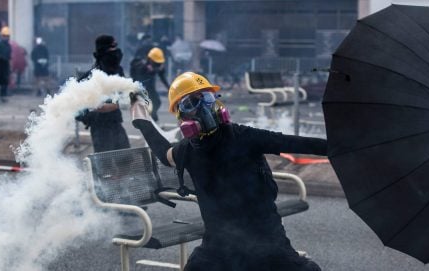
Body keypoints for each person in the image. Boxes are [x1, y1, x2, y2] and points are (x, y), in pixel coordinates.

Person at [129, 72, 325, 271]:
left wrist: (339, 146)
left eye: (206, 98)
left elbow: (297, 143)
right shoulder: (189, 149)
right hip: (221, 247)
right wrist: (141, 119)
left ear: (216, 102)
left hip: (265, 243)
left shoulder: (243, 137)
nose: (203, 107)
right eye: (191, 103)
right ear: (181, 115)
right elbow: (164, 153)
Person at [75, 34, 130, 153]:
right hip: (100, 127)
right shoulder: (93, 76)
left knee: (127, 159)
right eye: (112, 48)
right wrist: (117, 105)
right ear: (103, 51)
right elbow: (93, 106)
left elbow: (124, 90)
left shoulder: (117, 70)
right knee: (105, 164)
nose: (116, 52)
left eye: (116, 47)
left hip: (116, 123)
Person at [130, 47, 170, 122]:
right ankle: (148, 118)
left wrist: (169, 87)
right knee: (146, 103)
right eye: (156, 62)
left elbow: (162, 77)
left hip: (150, 86)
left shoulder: (157, 66)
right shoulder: (141, 64)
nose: (158, 64)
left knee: (157, 102)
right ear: (150, 59)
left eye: (159, 63)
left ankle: (151, 117)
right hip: (140, 87)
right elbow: (137, 77)